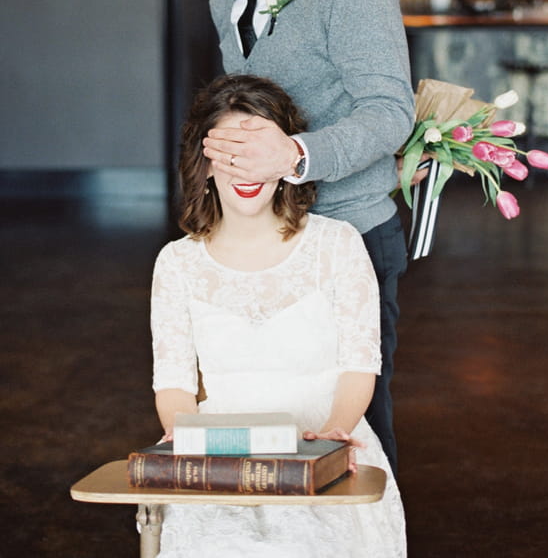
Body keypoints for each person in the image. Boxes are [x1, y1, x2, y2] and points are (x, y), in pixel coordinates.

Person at [168, 0, 415, 475]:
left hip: (353, 234)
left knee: (352, 426)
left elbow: (391, 114)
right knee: (275, 411)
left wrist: (294, 156)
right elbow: (243, 99)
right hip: (268, 241)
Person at [151, 74, 406, 558]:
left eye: (258, 150)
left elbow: (359, 365)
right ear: (202, 164)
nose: (245, 169)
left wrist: (335, 434)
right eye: (229, 153)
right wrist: (184, 434)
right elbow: (174, 382)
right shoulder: (176, 263)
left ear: (287, 158)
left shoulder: (337, 245)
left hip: (325, 443)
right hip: (220, 455)